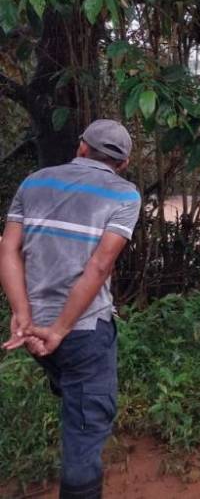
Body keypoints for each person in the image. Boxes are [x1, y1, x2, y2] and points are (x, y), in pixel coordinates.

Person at [1, 120, 141, 499]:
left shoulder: (34, 182)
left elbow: (8, 248)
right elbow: (100, 266)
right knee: (84, 435)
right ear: (123, 163)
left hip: (33, 331)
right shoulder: (125, 195)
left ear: (81, 147)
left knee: (70, 384)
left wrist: (22, 315)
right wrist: (59, 329)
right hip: (82, 333)